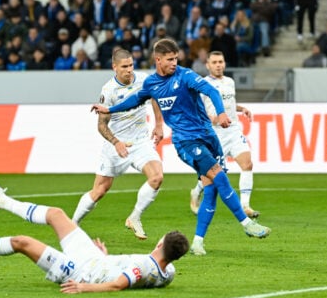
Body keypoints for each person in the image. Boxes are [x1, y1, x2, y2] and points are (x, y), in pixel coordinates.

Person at [91, 38, 271, 256]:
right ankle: (246, 223)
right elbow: (135, 100)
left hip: (208, 136)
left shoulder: (185, 75)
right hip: (186, 141)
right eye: (169, 59)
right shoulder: (151, 84)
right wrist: (109, 109)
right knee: (218, 174)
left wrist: (221, 111)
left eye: (176, 58)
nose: (174, 63)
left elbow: (211, 91)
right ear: (158, 60)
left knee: (212, 188)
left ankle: (197, 241)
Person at [0, 171, 189, 293]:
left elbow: (117, 285)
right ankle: (2, 201)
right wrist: (105, 259)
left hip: (80, 271)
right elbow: (127, 273)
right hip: (95, 260)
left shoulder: (145, 266)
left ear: (159, 244)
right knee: (57, 214)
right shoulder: (170, 273)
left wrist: (83, 288)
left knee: (22, 242)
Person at [73, 49, 165, 240]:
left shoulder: (143, 80)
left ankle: (135, 217)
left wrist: (158, 124)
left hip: (140, 142)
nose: (129, 70)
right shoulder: (108, 91)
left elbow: (154, 97)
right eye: (124, 66)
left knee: (156, 177)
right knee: (99, 191)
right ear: (114, 67)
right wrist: (116, 142)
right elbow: (101, 125)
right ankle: (72, 225)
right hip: (116, 144)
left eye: (131, 65)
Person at [190, 50, 261, 219]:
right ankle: (196, 192)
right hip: (215, 134)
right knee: (214, 174)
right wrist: (212, 119)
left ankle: (245, 206)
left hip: (233, 130)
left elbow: (229, 104)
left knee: (247, 164)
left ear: (225, 63)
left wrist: (242, 108)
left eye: (220, 62)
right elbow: (197, 110)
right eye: (214, 62)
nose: (218, 65)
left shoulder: (230, 81)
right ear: (207, 65)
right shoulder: (202, 84)